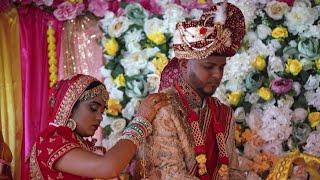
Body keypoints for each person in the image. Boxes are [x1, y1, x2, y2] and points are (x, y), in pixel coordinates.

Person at [136, 2, 246, 180]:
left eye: (221, 67)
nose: (217, 74)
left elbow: (233, 171)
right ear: (184, 64)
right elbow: (171, 174)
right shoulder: (163, 108)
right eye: (209, 66)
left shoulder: (223, 113)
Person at [27, 74, 168, 179]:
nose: (100, 117)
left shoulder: (82, 146)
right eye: (93, 108)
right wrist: (140, 122)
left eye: (102, 112)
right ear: (69, 108)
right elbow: (108, 167)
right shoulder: (50, 142)